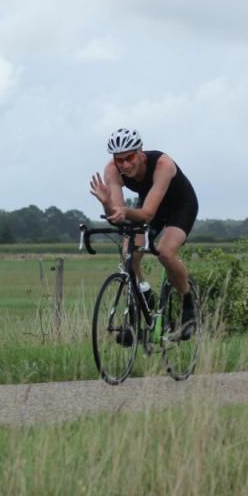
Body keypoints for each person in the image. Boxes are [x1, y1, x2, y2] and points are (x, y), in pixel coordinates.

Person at [89, 128, 199, 339]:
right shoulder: (112, 170)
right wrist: (107, 205)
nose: (125, 164)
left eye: (129, 157)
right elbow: (118, 214)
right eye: (119, 160)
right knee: (128, 252)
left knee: (165, 253)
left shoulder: (162, 165)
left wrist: (123, 212)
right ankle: (144, 295)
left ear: (140, 151)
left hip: (180, 206)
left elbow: (147, 214)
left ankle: (188, 304)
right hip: (150, 207)